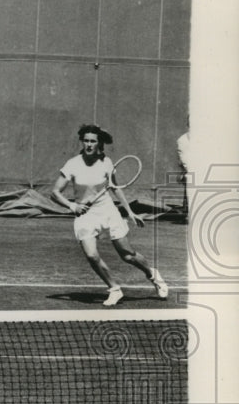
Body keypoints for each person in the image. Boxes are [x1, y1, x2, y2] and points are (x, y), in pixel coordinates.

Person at [51, 124, 168, 306]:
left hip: (107, 211)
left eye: (93, 141)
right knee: (91, 255)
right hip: (85, 214)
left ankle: (153, 275)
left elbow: (116, 189)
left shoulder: (106, 162)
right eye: (86, 141)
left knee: (127, 255)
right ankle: (114, 289)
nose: (89, 144)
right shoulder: (72, 164)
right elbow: (55, 192)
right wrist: (72, 206)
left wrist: (130, 212)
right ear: (82, 141)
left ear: (98, 143)